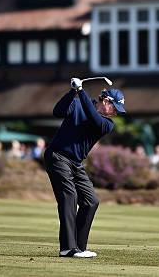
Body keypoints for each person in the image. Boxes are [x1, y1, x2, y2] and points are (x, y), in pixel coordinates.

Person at [44, 77, 125, 259]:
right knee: (69, 197)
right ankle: (67, 248)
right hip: (57, 156)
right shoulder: (78, 102)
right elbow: (58, 112)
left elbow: (93, 117)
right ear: (106, 101)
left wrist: (81, 92)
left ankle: (79, 247)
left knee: (91, 201)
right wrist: (72, 92)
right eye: (114, 108)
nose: (115, 113)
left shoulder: (106, 124)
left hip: (76, 163)